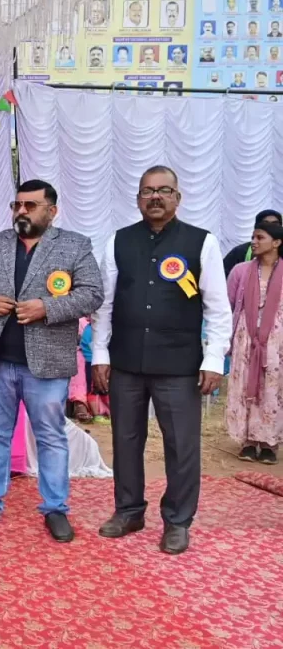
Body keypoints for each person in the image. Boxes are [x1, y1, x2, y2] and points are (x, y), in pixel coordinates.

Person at [91, 165, 231, 555]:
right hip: (126, 362)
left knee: (181, 446)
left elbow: (218, 308)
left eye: (163, 190)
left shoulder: (201, 242)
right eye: (147, 191)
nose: (155, 197)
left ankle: (178, 521)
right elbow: (104, 305)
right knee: (125, 440)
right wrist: (99, 354)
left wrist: (213, 360)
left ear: (177, 197)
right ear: (138, 198)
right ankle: (129, 511)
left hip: (179, 366)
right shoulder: (118, 241)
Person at [0, 180, 103, 542]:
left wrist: (47, 307)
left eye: (31, 205)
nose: (21, 211)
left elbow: (92, 294)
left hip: (47, 363)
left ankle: (55, 508)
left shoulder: (74, 245)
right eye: (17, 205)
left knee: (50, 436)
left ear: (51, 211)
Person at [225, 222, 283, 465]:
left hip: (277, 341)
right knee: (244, 386)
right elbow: (228, 304)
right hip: (246, 337)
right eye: (253, 237)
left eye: (260, 237)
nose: (254, 242)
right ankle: (248, 441)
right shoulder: (240, 270)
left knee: (273, 389)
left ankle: (269, 443)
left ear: (276, 243)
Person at [223, 210, 282, 277]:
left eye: (275, 224)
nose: (270, 227)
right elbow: (222, 277)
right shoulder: (240, 252)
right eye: (266, 224)